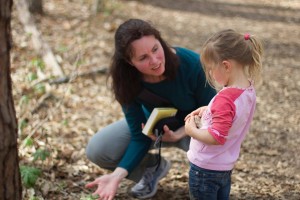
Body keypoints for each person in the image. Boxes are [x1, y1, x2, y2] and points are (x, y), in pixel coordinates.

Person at [85, 18, 216, 200]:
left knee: (209, 147)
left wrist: (181, 132)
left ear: (160, 42)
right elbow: (139, 136)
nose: (154, 61)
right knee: (98, 149)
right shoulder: (126, 80)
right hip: (154, 129)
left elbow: (213, 114)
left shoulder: (191, 64)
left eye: (155, 49)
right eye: (143, 58)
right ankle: (152, 168)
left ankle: (205, 187)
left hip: (196, 129)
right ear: (130, 62)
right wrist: (117, 176)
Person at [185, 29, 263, 200]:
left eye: (211, 69)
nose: (210, 74)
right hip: (224, 167)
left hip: (205, 169)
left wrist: (191, 131)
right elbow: (235, 116)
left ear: (226, 66)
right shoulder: (248, 90)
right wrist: (209, 110)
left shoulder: (225, 99)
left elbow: (216, 137)